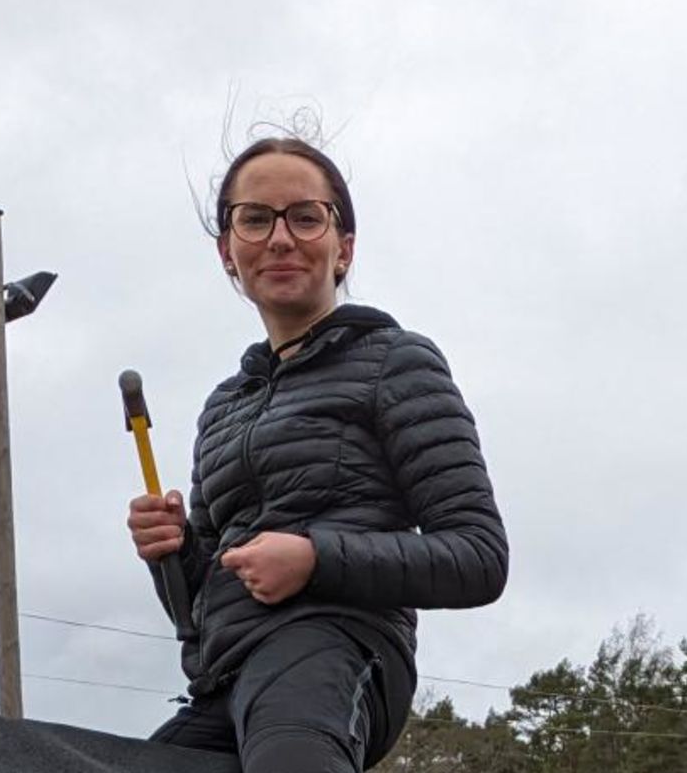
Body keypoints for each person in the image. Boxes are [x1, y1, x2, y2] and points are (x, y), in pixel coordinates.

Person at [126, 136, 510, 773]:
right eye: (255, 219)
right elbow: (200, 603)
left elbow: (479, 556)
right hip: (225, 681)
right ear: (228, 252)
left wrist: (314, 558)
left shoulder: (396, 360)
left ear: (343, 248)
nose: (280, 238)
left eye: (305, 217)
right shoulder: (222, 407)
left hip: (338, 650)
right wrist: (172, 551)